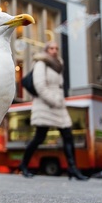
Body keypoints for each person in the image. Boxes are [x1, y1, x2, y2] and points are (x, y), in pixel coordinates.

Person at [18, 41, 88, 180]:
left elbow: (59, 85)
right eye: (51, 48)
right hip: (45, 104)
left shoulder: (58, 64)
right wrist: (54, 101)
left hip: (58, 104)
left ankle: (72, 168)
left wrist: (59, 101)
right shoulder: (40, 63)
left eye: (56, 48)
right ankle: (24, 165)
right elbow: (39, 86)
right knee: (40, 137)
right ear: (46, 50)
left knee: (68, 135)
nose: (54, 50)